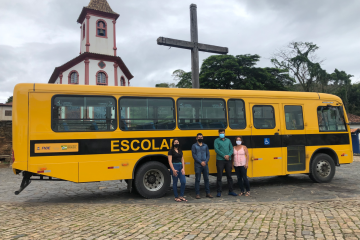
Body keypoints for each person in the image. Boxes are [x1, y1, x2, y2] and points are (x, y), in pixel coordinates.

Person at [214, 129, 237, 197]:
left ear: (224, 133)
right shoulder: (216, 140)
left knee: (229, 176)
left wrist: (228, 155)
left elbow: (231, 149)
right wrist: (224, 156)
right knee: (219, 176)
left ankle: (231, 191)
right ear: (218, 133)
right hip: (220, 160)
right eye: (220, 133)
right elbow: (216, 149)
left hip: (228, 160)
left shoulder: (228, 140)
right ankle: (219, 191)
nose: (222, 134)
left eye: (223, 133)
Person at [191, 133, 213, 199]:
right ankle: (197, 194)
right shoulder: (194, 146)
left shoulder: (205, 146)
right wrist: (201, 162)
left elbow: (208, 155)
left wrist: (205, 162)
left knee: (206, 179)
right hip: (198, 165)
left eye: (201, 137)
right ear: (196, 138)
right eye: (199, 137)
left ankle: (208, 193)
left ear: (202, 138)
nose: (200, 138)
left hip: (205, 164)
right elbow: (194, 155)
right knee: (197, 179)